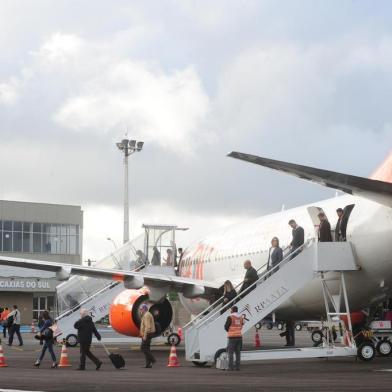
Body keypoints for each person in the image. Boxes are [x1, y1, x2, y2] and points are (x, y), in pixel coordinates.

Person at [224, 306, 244, 371]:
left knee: (230, 352)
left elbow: (226, 326)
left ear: (232, 310)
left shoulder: (230, 317)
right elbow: (242, 325)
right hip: (239, 336)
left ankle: (230, 367)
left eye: (231, 310)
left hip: (232, 337)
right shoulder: (240, 317)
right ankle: (237, 367)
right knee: (238, 353)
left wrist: (229, 331)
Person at [139, 304, 156, 368]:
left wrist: (145, 335)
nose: (140, 310)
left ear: (144, 309)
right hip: (147, 334)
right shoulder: (146, 315)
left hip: (147, 334)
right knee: (147, 348)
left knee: (143, 347)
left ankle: (152, 359)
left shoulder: (147, 315)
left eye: (141, 309)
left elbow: (148, 327)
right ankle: (148, 364)